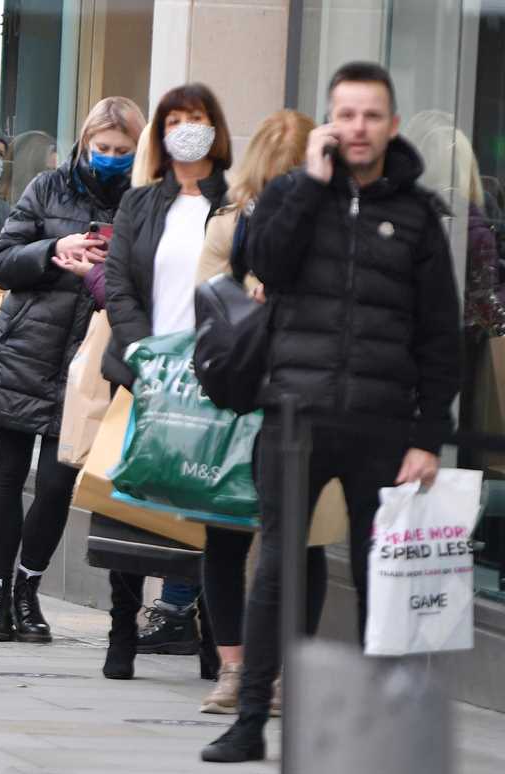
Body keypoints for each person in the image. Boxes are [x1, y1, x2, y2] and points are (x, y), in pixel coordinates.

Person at [202, 62, 462, 763]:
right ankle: (252, 717)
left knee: (388, 577)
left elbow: (441, 333)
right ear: (328, 121)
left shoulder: (417, 215)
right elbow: (266, 266)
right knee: (276, 571)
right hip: (295, 417)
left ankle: (381, 719)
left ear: (392, 125)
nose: (357, 128)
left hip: (383, 425)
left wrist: (429, 435)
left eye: (371, 116)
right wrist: (311, 186)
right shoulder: (292, 193)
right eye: (345, 115)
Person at [0, 97, 146, 642]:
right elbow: (2, 262)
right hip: (26, 349)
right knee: (9, 474)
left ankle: (26, 589)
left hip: (89, 364)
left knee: (58, 483)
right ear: (84, 142)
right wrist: (53, 248)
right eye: (101, 148)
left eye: (121, 150)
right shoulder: (47, 189)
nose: (109, 158)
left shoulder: (141, 203)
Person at [188, 109, 327, 716]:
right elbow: (207, 305)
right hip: (240, 396)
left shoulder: (333, 227)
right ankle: (235, 668)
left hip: (304, 396)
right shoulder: (230, 224)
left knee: (307, 538)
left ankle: (286, 674)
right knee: (223, 532)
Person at [99, 83, 232, 679]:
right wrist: (144, 352)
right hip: (146, 371)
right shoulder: (140, 204)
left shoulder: (233, 202)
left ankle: (210, 635)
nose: (185, 128)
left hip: (212, 377)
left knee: (208, 508)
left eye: (195, 118)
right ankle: (121, 630)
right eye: (173, 119)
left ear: (215, 127)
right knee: (128, 504)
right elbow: (119, 285)